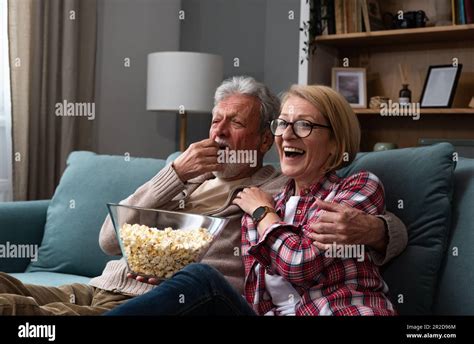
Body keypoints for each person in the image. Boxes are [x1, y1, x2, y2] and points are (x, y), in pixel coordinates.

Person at [0, 77, 406, 315]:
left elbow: (343, 218)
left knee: (23, 313)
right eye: (215, 120)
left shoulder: (269, 190)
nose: (218, 132)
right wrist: (175, 173)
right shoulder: (190, 179)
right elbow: (110, 240)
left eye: (235, 122)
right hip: (105, 284)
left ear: (263, 139)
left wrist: (379, 230)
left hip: (160, 301)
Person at [106, 84, 396, 316]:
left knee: (201, 277)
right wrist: (170, 277)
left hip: (341, 311)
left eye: (304, 125)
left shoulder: (270, 198)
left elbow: (300, 263)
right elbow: (110, 238)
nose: (288, 135)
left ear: (336, 142)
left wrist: (378, 230)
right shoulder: (263, 202)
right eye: (282, 124)